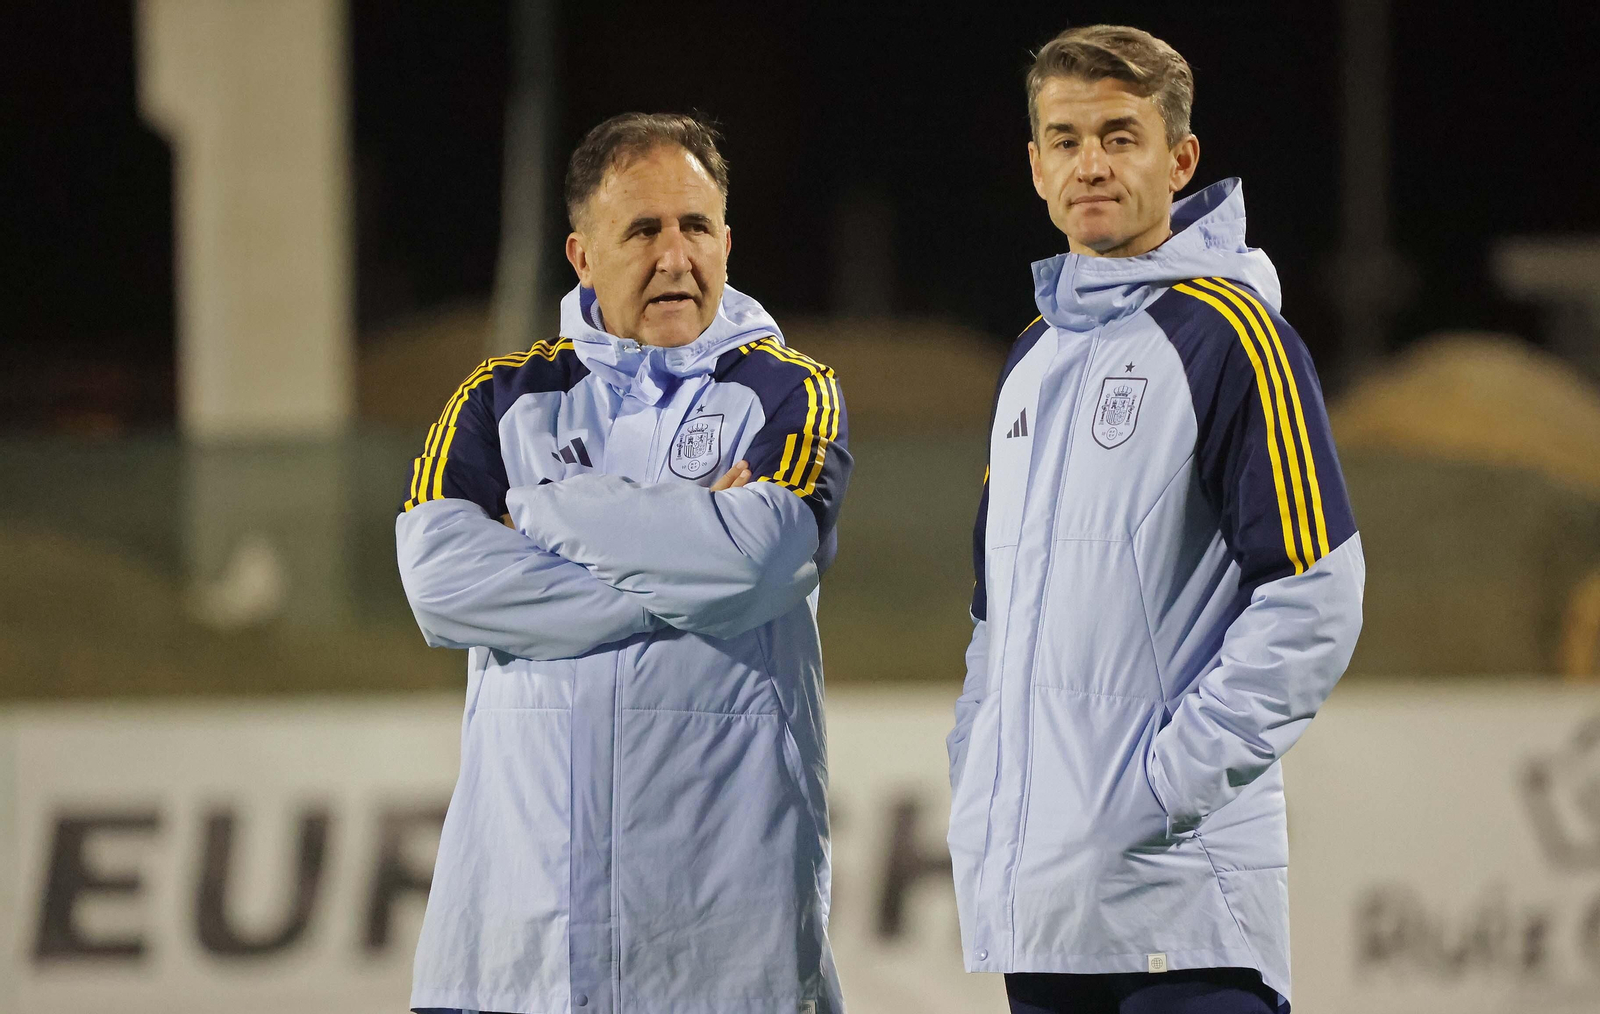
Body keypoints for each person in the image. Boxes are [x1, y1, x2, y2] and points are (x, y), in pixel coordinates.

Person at [946, 25, 1364, 1014]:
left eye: (1119, 136)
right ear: (1036, 165)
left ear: (1179, 161)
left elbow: (1316, 595)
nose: (1089, 163)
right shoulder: (1032, 358)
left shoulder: (1233, 336)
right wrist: (980, 778)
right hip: (1047, 919)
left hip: (1183, 918)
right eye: (1065, 139)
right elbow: (994, 623)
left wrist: (1160, 790)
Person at [396, 112, 850, 1014]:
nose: (676, 256)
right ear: (582, 255)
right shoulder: (498, 399)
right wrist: (685, 578)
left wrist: (546, 511)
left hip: (726, 949)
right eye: (643, 230)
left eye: (696, 226)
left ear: (728, 242)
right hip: (516, 946)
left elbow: (760, 563)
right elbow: (439, 585)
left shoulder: (788, 390)